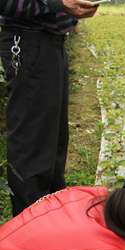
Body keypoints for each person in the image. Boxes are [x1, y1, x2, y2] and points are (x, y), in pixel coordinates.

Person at [0, 0, 100, 217]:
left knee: (53, 144)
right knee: (32, 147)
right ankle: (28, 227)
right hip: (28, 42)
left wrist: (72, 9)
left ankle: (50, 222)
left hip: (50, 43)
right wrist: (59, 4)